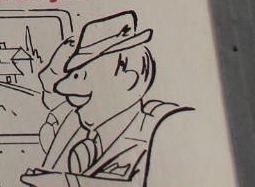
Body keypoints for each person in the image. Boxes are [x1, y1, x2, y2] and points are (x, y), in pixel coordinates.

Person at [22, 11, 189, 186]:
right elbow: (54, 97)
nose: (63, 88)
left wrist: (68, 184)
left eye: (83, 75)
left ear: (130, 79)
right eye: (73, 75)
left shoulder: (162, 128)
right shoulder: (73, 126)